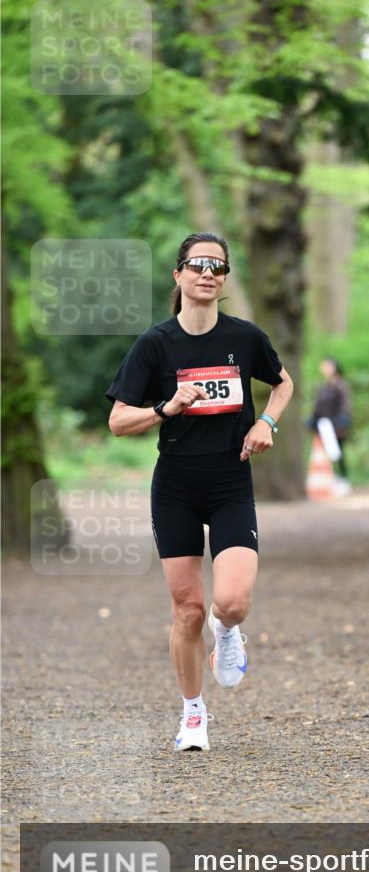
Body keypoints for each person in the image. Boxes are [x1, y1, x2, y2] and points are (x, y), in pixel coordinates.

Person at [106, 231, 293, 751]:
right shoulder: (155, 344)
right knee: (187, 609)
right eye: (197, 264)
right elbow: (118, 421)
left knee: (231, 602)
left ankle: (226, 633)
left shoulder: (245, 337)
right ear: (179, 274)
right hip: (176, 488)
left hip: (230, 482)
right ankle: (193, 715)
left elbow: (283, 383)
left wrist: (267, 423)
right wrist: (165, 408)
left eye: (217, 266)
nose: (208, 273)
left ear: (225, 277)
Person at [309, 357, 352, 486]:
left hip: (337, 425)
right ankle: (330, 479)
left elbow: (345, 405)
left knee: (338, 452)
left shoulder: (341, 386)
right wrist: (313, 419)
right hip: (323, 425)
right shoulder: (323, 387)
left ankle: (343, 479)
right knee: (325, 453)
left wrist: (342, 420)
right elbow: (318, 407)